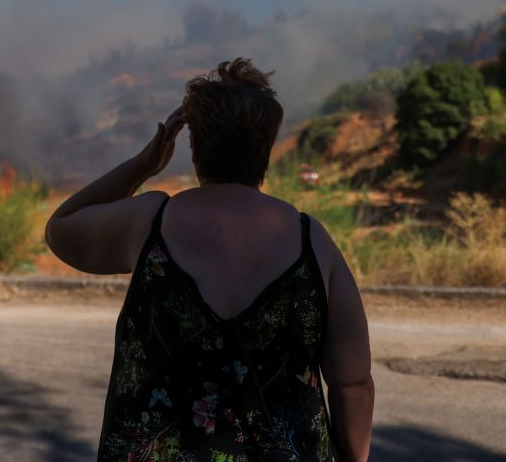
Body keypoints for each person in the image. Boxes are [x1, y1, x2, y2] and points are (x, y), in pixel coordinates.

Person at [45, 58, 374, 461]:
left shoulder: (149, 223)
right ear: (266, 148)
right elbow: (352, 383)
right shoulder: (312, 242)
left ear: (195, 145)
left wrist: (144, 165)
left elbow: (60, 228)